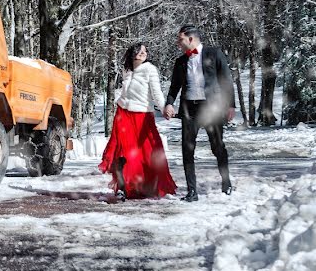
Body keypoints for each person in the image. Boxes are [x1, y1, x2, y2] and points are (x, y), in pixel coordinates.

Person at [163, 25, 235, 202]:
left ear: (190, 39)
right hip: (189, 109)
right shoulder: (180, 61)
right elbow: (174, 86)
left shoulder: (214, 53)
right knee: (187, 149)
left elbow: (226, 79)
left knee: (217, 146)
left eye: (180, 39)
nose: (177, 43)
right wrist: (169, 104)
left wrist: (230, 106)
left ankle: (226, 182)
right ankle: (192, 191)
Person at [99, 43, 177, 200]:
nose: (143, 53)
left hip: (142, 116)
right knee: (121, 152)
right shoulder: (126, 69)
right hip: (123, 115)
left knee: (148, 152)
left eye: (145, 51)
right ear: (132, 53)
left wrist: (164, 108)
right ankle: (122, 187)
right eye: (139, 51)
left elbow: (156, 93)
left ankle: (147, 185)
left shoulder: (150, 69)